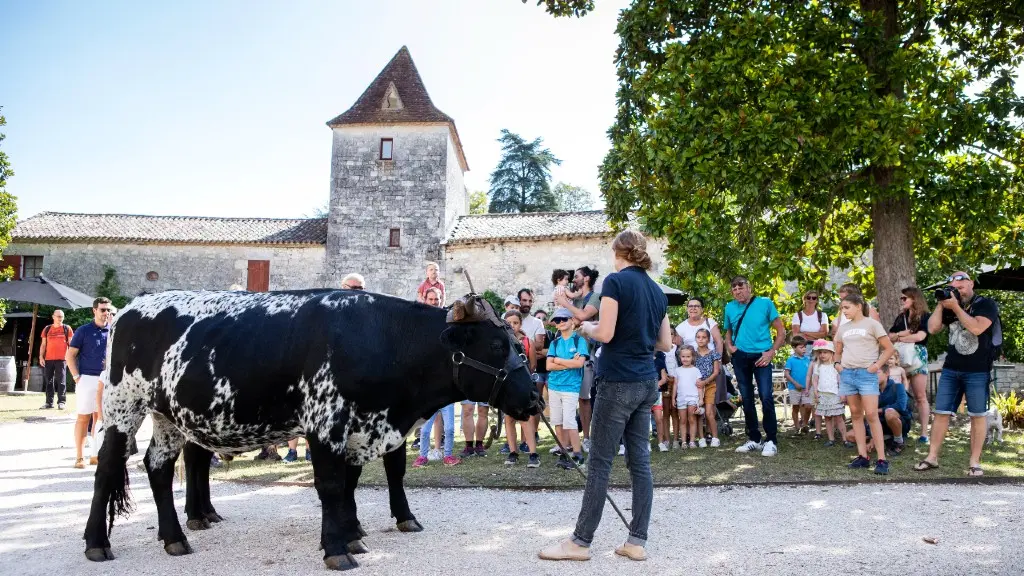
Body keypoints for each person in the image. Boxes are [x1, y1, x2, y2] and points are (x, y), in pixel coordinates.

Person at [539, 230, 670, 563]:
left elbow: (606, 332)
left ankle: (580, 542)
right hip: (646, 381)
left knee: (599, 462)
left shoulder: (615, 282)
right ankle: (636, 541)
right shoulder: (657, 291)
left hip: (618, 382)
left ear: (618, 252)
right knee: (640, 463)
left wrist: (585, 328)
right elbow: (665, 343)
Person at [916, 272, 1000, 477]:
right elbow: (933, 328)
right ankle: (932, 457)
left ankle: (974, 462)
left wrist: (955, 307)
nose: (958, 291)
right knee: (941, 412)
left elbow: (977, 328)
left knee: (977, 415)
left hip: (978, 370)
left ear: (971, 284)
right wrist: (941, 302)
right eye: (954, 287)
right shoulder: (950, 304)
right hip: (951, 368)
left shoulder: (985, 304)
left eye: (961, 287)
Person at [724, 276, 786, 457]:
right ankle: (754, 438)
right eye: (734, 289)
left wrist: (771, 352)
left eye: (740, 286)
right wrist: (730, 346)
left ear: (749, 287)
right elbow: (728, 331)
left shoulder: (765, 303)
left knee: (766, 396)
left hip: (762, 356)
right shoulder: (729, 307)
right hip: (740, 356)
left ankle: (771, 440)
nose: (737, 291)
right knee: (747, 398)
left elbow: (781, 331)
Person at [834, 293, 896, 475]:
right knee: (855, 414)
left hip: (866, 374)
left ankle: (882, 459)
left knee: (871, 414)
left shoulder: (872, 324)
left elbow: (889, 348)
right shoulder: (843, 328)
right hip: (848, 374)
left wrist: (876, 366)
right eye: (842, 308)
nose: (843, 311)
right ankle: (862, 456)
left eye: (847, 307)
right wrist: (837, 365)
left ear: (858, 306)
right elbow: (837, 350)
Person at [554, 266, 601, 452]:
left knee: (584, 398)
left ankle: (587, 438)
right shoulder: (574, 298)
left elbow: (582, 316)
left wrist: (564, 303)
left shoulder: (595, 298)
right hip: (568, 352)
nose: (574, 280)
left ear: (587, 278)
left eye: (578, 276)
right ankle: (565, 442)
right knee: (567, 397)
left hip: (587, 354)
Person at [65, 297, 112, 469]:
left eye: (108, 310)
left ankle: (95, 454)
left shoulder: (113, 331)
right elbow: (70, 355)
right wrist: (77, 377)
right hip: (87, 378)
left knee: (100, 418)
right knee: (83, 417)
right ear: (94, 310)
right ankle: (79, 457)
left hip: (107, 380)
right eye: (103, 310)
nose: (106, 313)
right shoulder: (83, 330)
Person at [546, 307, 588, 469]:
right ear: (555, 325)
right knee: (557, 420)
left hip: (571, 387)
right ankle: (564, 453)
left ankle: (577, 454)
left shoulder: (579, 341)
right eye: (557, 320)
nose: (561, 322)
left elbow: (579, 363)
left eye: (564, 319)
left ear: (572, 321)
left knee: (569, 421)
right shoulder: (555, 343)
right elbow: (549, 366)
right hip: (554, 386)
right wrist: (568, 362)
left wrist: (558, 360)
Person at [888, 286, 931, 444]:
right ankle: (899, 429)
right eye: (901, 298)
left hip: (918, 357)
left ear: (915, 298)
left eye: (904, 298)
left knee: (920, 396)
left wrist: (900, 337)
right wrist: (904, 334)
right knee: (898, 394)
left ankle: (924, 433)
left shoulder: (925, 316)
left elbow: (920, 336)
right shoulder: (901, 317)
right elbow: (890, 336)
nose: (902, 301)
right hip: (900, 359)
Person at [502, 310, 539, 467]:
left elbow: (533, 364)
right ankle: (513, 451)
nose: (512, 326)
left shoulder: (527, 342)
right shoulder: (501, 342)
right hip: (506, 386)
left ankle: (533, 453)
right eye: (509, 323)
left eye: (515, 323)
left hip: (522, 385)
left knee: (524, 418)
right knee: (509, 419)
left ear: (520, 324)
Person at [809, 340, 848, 447]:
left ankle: (845, 439)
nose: (822, 355)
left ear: (832, 353)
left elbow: (840, 381)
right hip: (823, 394)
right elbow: (815, 380)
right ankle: (831, 439)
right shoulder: (818, 366)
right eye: (820, 352)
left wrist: (842, 393)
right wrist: (816, 391)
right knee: (827, 417)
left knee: (839, 417)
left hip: (835, 394)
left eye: (825, 352)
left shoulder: (835, 366)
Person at [38, 309, 73, 410]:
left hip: (62, 359)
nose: (60, 318)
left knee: (61, 381)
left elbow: (71, 345)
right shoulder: (47, 329)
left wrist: (70, 358)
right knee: (48, 381)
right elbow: (43, 344)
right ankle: (49, 403)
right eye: (58, 316)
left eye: (61, 317)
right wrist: (41, 356)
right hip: (48, 359)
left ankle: (61, 402)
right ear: (53, 317)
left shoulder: (67, 329)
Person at [875, 363, 912, 455]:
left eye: (877, 373)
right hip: (881, 424)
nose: (874, 376)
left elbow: (901, 406)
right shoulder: (873, 391)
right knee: (850, 436)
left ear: (887, 373)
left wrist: (880, 410)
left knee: (889, 413)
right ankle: (886, 438)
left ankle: (899, 441)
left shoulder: (898, 386)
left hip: (900, 422)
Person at [693, 328, 721, 447]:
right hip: (696, 386)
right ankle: (701, 438)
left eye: (704, 337)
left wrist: (705, 382)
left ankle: (715, 437)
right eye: (698, 337)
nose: (701, 339)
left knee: (709, 412)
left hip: (710, 385)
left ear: (708, 339)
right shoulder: (693, 354)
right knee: (699, 412)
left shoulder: (713, 353)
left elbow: (716, 372)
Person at [784, 335, 814, 435]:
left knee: (809, 406)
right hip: (794, 388)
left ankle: (805, 424)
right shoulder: (790, 360)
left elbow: (811, 374)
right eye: (801, 347)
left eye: (805, 347)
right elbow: (786, 374)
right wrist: (795, 384)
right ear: (794, 348)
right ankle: (797, 427)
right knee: (795, 407)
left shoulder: (808, 359)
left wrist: (810, 385)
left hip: (806, 388)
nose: (804, 349)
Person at [673, 346, 702, 449]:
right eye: (683, 356)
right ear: (680, 357)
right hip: (681, 398)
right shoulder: (677, 370)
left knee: (692, 419)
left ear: (692, 357)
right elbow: (675, 385)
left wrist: (701, 399)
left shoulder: (696, 370)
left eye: (688, 356)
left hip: (692, 398)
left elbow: (699, 386)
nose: (685, 359)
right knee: (683, 420)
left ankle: (692, 441)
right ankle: (684, 441)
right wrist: (673, 398)